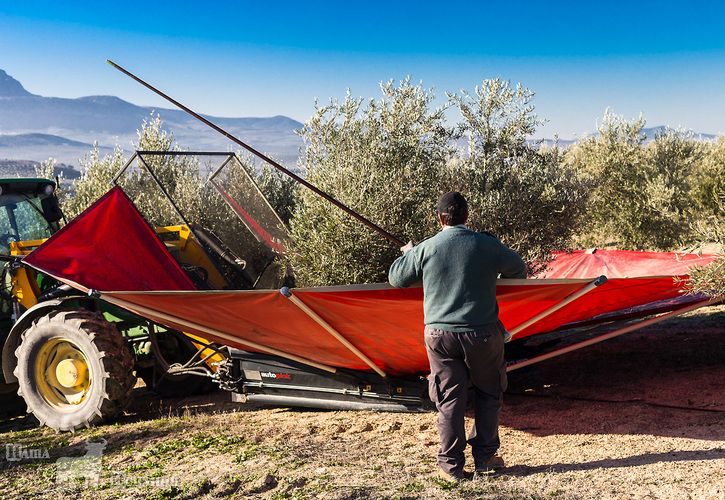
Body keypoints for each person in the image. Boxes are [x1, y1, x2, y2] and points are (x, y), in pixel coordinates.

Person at [388, 191, 527, 481]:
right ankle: (486, 460)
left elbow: (396, 278)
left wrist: (410, 253)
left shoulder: (426, 248)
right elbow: (519, 269)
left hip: (439, 336)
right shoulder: (487, 245)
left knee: (449, 399)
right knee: (489, 393)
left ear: (439, 219)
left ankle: (451, 467)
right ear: (468, 216)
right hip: (484, 334)